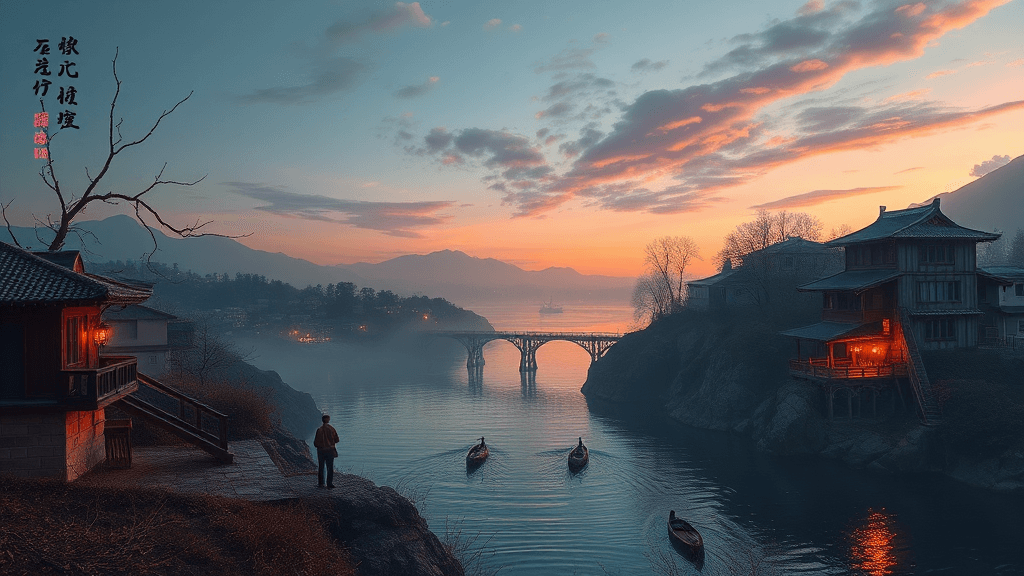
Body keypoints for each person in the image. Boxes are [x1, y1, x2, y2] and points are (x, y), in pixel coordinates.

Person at [313, 414, 340, 489]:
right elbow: (337, 440)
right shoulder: (332, 429)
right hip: (330, 450)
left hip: (321, 451)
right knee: (330, 467)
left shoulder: (319, 430)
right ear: (328, 420)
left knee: (321, 467)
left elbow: (315, 443)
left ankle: (321, 483)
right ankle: (329, 484)